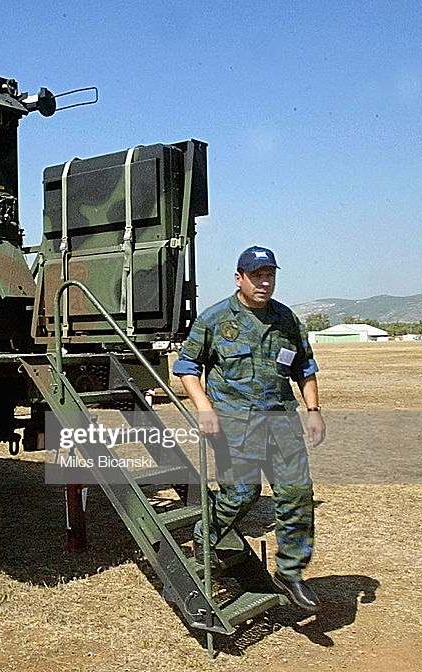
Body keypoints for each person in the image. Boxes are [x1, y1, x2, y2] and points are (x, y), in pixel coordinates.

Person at [172, 245, 326, 613]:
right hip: (235, 423)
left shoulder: (286, 319)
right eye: (256, 275)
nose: (265, 282)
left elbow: (305, 368)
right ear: (239, 278)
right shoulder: (215, 319)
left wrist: (314, 409)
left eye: (270, 274)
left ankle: (290, 574)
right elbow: (186, 367)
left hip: (282, 422)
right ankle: (204, 537)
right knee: (242, 494)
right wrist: (205, 408)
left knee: (297, 495)